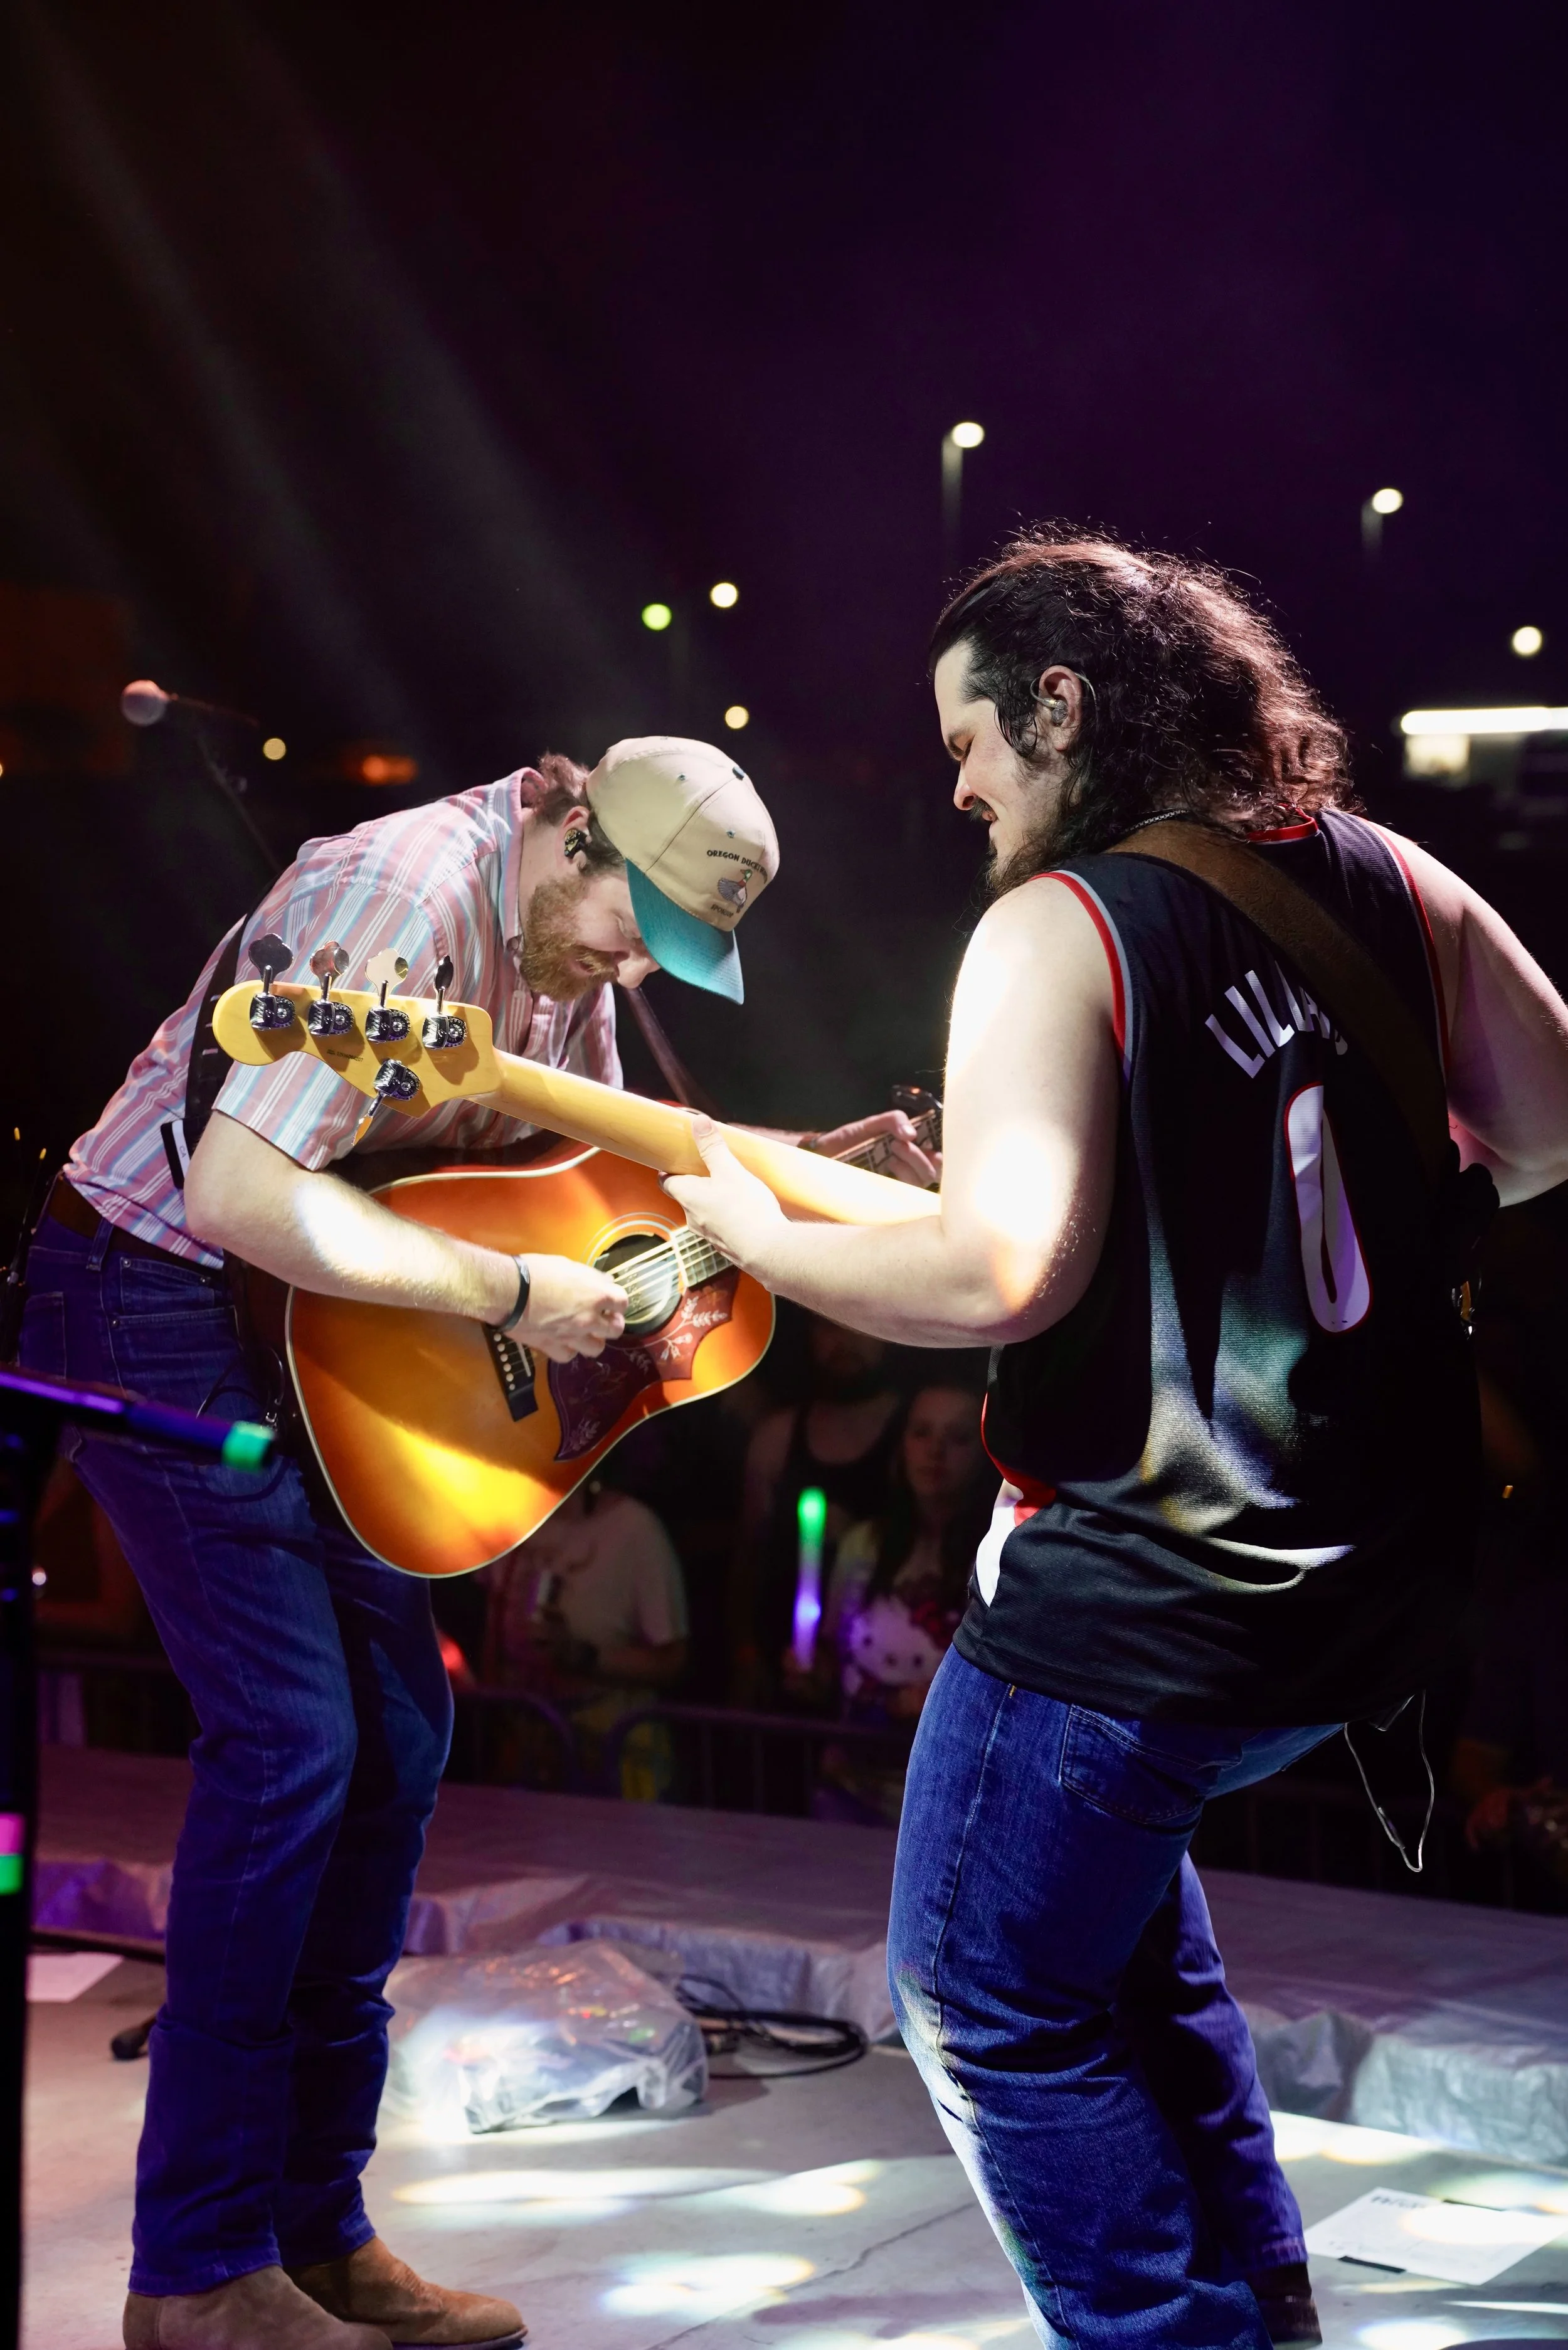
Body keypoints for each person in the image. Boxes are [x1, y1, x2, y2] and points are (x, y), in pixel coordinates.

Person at [666, 531, 1568, 2350]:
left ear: (1061, 707)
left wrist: (754, 1232)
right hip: (1370, 1590)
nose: (956, 785)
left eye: (968, 739)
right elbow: (1543, 1128)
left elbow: (999, 1273)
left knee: (982, 1993)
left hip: (1147, 1599)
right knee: (1126, 1957)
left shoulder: (1057, 925)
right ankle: (1263, 2315)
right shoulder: (1390, 875)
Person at [18, 733, 930, 2350]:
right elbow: (237, 1193)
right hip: (157, 1292)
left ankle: (317, 2230)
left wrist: (813, 1179)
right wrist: (507, 1294)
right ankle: (197, 2271)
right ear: (571, 831)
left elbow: (562, 1170)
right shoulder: (400, 898)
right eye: (635, 926)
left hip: (320, 1317)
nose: (631, 968)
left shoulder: (560, 933)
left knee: (398, 1743)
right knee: (293, 1748)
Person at [804, 1381, 993, 1825]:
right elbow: (831, 1660)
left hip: (947, 1800)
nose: (936, 1451)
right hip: (850, 1787)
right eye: (921, 1432)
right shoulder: (863, 1546)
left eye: (958, 1438)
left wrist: (939, 1700)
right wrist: (809, 1671)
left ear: (985, 1453)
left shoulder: (998, 1556)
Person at [733, 1313, 904, 1703]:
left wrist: (858, 1539)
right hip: (780, 1669)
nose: (844, 1340)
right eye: (829, 1324)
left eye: (856, 1321)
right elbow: (747, 1559)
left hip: (877, 1683)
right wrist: (745, 1653)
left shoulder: (915, 1434)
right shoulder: (777, 1437)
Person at [483, 1478, 689, 1798]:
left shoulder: (634, 1529)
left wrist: (581, 1655)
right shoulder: (503, 1520)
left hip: (617, 1764)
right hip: (525, 1757)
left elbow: (671, 1660)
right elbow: (492, 1636)